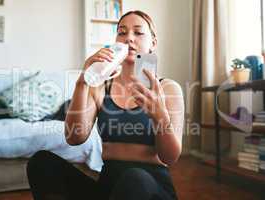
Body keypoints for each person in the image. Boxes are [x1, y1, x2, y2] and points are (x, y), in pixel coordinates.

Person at [27, 10, 184, 200]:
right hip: (109, 188)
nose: (129, 38)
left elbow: (170, 157)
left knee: (134, 179)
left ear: (153, 43)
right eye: (122, 32)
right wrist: (83, 81)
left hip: (151, 188)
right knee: (41, 163)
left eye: (138, 32)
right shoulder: (100, 87)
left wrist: (160, 116)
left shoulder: (168, 88)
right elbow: (74, 138)